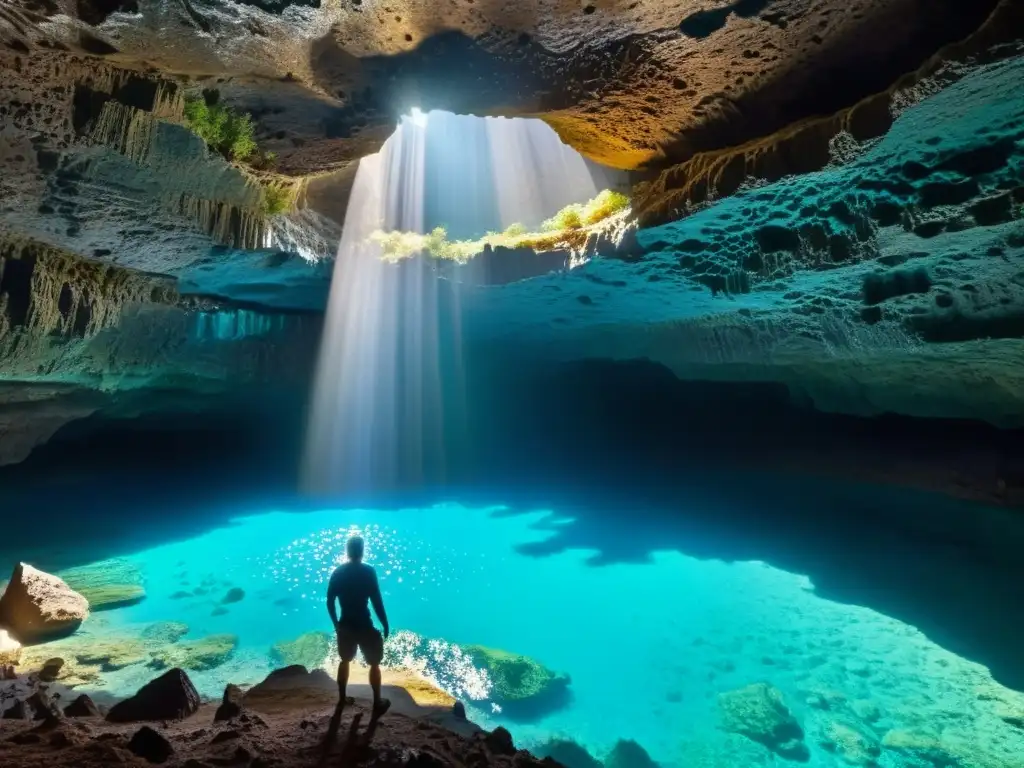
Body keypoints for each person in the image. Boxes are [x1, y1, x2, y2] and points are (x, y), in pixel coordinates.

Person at [326, 535, 391, 719]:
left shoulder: (338, 572)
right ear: (362, 551)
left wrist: (336, 624)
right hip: (364, 625)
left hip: (345, 625)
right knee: (374, 664)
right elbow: (377, 601)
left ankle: (342, 698)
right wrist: (385, 623)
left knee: (344, 661)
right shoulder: (368, 571)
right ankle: (377, 702)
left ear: (347, 551)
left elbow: (329, 601)